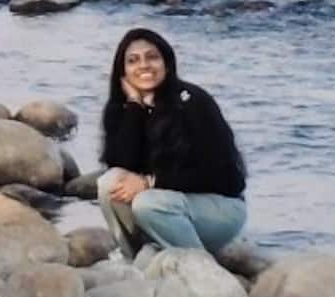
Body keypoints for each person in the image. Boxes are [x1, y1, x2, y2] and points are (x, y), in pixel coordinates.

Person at [96, 27, 248, 255]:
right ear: (123, 72)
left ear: (167, 63)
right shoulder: (125, 109)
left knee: (148, 203)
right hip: (167, 204)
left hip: (219, 209)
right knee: (110, 183)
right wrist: (135, 107)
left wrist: (150, 183)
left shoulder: (193, 102)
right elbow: (123, 163)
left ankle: (199, 267)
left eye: (152, 57)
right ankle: (135, 263)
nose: (144, 65)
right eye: (133, 60)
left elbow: (225, 177)